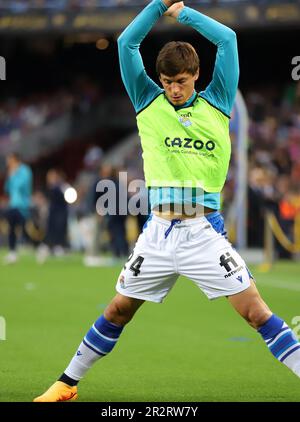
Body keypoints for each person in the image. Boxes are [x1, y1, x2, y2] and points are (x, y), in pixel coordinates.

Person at [33, 0, 300, 401]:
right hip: (157, 233)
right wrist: (156, 5)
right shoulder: (147, 100)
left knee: (256, 312)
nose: (174, 89)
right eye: (168, 81)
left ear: (196, 76)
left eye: (182, 81)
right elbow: (126, 43)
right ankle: (65, 385)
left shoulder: (219, 102)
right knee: (117, 310)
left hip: (203, 232)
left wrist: (183, 13)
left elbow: (227, 39)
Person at [2, 152, 32, 264]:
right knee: (12, 228)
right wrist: (10, 176)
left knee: (25, 229)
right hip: (13, 205)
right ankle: (12, 253)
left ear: (15, 159)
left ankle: (40, 247)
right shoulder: (11, 172)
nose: (7, 162)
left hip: (23, 205)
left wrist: (13, 175)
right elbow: (7, 189)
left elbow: (21, 186)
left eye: (9, 159)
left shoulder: (25, 171)